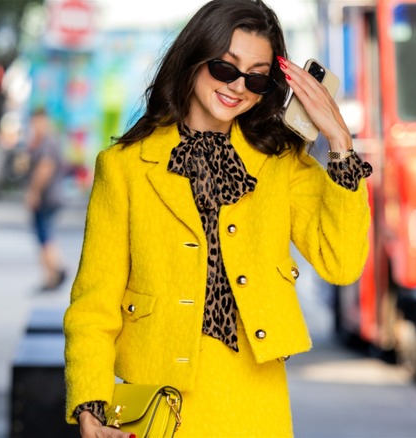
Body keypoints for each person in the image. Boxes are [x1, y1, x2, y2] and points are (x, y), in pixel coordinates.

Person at [63, 1, 374, 436]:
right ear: (194, 58)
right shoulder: (124, 167)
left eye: (256, 76)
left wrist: (340, 141)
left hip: (256, 405)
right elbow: (93, 306)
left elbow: (341, 263)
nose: (238, 86)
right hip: (160, 404)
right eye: (225, 67)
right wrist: (89, 403)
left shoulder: (281, 163)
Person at [24, 108, 67, 291]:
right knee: (45, 234)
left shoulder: (47, 143)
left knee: (44, 235)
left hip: (47, 197)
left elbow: (45, 168)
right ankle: (52, 273)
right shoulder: (45, 141)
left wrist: (33, 192)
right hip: (51, 196)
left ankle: (55, 271)